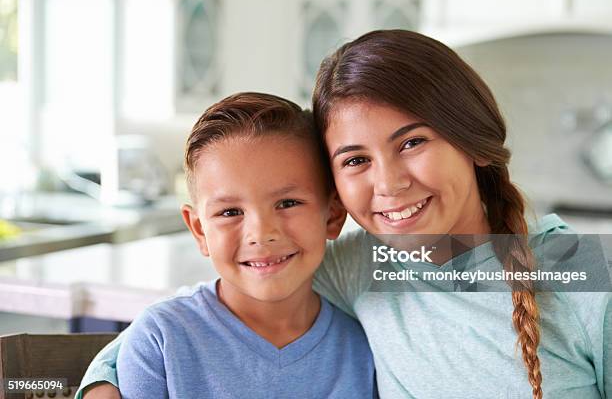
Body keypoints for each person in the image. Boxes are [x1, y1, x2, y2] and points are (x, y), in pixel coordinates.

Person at [79, 30, 611, 399]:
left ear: (473, 139)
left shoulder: (584, 275)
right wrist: (103, 381)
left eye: (413, 142)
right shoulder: (364, 266)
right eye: (355, 159)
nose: (389, 183)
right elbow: (195, 317)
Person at [102, 92, 377, 399]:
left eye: (288, 203)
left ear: (333, 214)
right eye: (230, 212)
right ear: (199, 230)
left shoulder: (364, 348)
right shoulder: (160, 340)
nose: (261, 233)